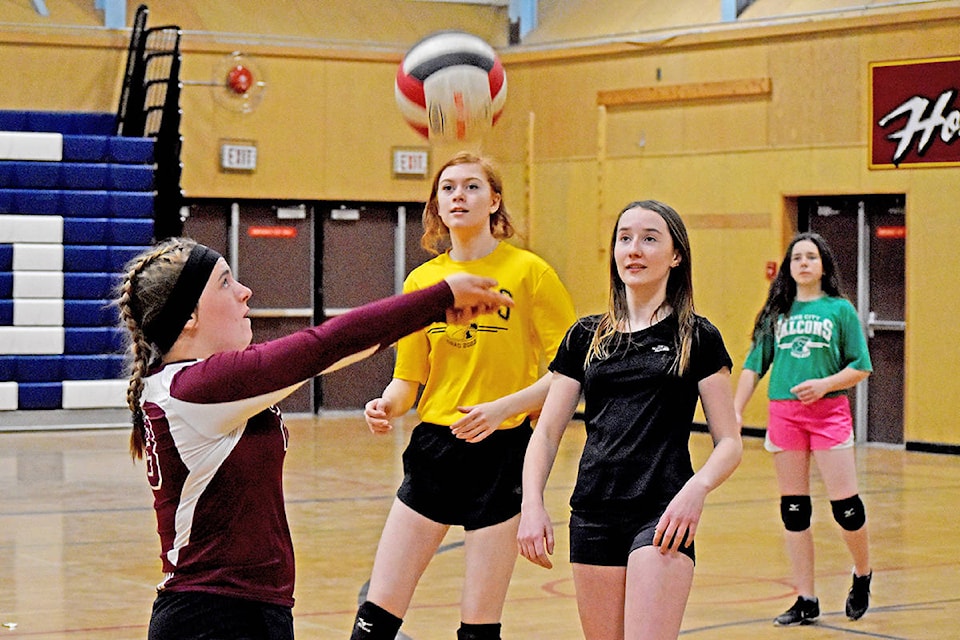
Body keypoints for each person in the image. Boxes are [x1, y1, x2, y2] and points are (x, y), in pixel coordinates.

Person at [115, 236, 513, 640]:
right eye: (224, 283)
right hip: (213, 617)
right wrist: (439, 298)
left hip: (245, 610)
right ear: (188, 318)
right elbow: (324, 346)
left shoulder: (195, 384)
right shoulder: (197, 387)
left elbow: (326, 352)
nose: (244, 291)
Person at [349, 152, 577, 640]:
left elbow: (571, 374)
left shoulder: (530, 273)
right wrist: (386, 404)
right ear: (436, 203)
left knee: (479, 629)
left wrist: (505, 408)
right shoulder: (423, 283)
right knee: (374, 620)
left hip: (503, 454)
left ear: (495, 200)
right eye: (448, 187)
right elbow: (408, 379)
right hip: (436, 450)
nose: (459, 196)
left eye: (472, 187)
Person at [517, 200, 742, 640]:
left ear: (676, 256)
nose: (633, 249)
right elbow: (546, 432)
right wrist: (531, 503)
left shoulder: (697, 336)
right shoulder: (585, 336)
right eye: (625, 238)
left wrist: (696, 490)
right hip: (593, 513)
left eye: (649, 238)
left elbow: (730, 442)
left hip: (662, 513)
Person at [733, 231, 874, 626]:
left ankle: (862, 574)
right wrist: (735, 409)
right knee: (794, 511)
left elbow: (860, 366)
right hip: (785, 414)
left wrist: (825, 384)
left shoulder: (839, 310)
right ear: (789, 268)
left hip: (828, 413)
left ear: (823, 265)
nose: (804, 263)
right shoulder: (777, 312)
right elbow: (753, 365)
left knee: (846, 508)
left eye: (811, 257)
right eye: (797, 258)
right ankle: (805, 598)